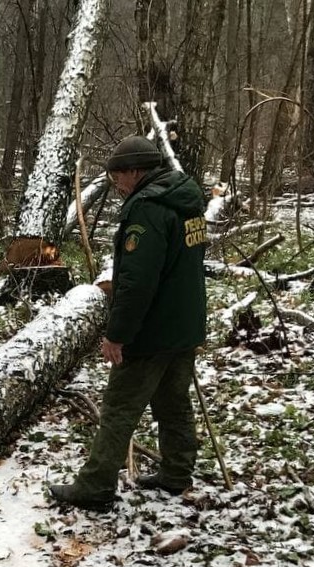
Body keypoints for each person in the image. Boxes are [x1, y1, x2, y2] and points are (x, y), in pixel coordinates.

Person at [48, 135, 208, 512]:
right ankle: (177, 472)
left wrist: (117, 335)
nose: (116, 185)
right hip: (184, 325)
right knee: (173, 403)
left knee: (120, 408)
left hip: (152, 331)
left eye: (118, 176)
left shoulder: (148, 210)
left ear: (135, 171)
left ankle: (95, 486)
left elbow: (137, 283)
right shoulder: (187, 200)